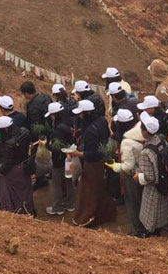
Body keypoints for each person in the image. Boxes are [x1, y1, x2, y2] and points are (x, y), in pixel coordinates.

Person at [67, 99, 116, 227]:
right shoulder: (102, 120)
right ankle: (103, 215)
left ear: (87, 114)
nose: (80, 116)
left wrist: (77, 154)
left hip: (92, 164)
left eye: (81, 113)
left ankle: (86, 218)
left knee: (88, 192)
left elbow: (92, 153)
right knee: (99, 188)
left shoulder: (90, 131)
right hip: (101, 161)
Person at [136, 113, 168, 236]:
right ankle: (158, 231)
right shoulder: (162, 139)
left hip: (155, 188)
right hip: (166, 182)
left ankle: (151, 234)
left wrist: (138, 176)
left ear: (145, 132)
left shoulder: (146, 152)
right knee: (163, 212)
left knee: (152, 214)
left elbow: (149, 177)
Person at [107, 108, 145, 234]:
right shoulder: (140, 127)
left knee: (133, 203)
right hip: (145, 171)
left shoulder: (127, 141)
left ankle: (136, 230)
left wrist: (114, 166)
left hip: (133, 175)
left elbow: (127, 167)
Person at [45, 101, 77, 217]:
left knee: (56, 184)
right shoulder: (69, 122)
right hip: (69, 157)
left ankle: (57, 207)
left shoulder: (58, 129)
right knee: (69, 180)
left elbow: (56, 147)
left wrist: (46, 145)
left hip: (59, 159)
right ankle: (70, 204)